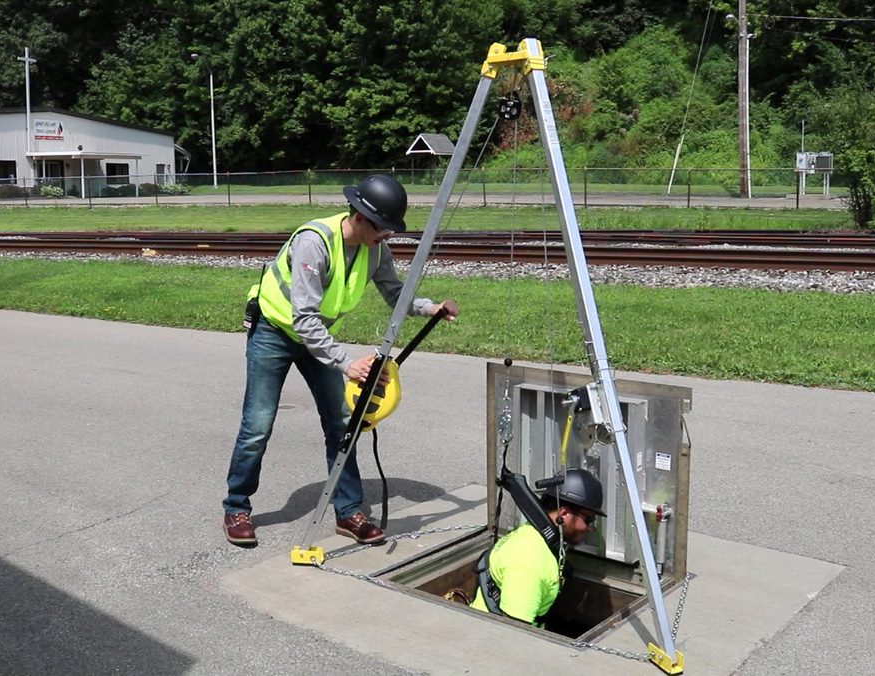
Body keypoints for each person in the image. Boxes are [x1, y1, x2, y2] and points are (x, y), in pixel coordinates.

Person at [222, 174, 459, 547]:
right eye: (384, 228)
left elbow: (395, 292)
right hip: (275, 332)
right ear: (361, 218)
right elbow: (303, 318)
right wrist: (346, 363)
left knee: (341, 423)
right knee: (258, 425)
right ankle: (237, 507)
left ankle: (349, 512)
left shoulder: (375, 249)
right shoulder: (313, 244)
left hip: (317, 338)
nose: (389, 236)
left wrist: (430, 308)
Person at [470, 468, 606, 625]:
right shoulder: (529, 562)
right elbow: (513, 634)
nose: (590, 528)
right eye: (588, 520)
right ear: (563, 514)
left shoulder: (536, 534)